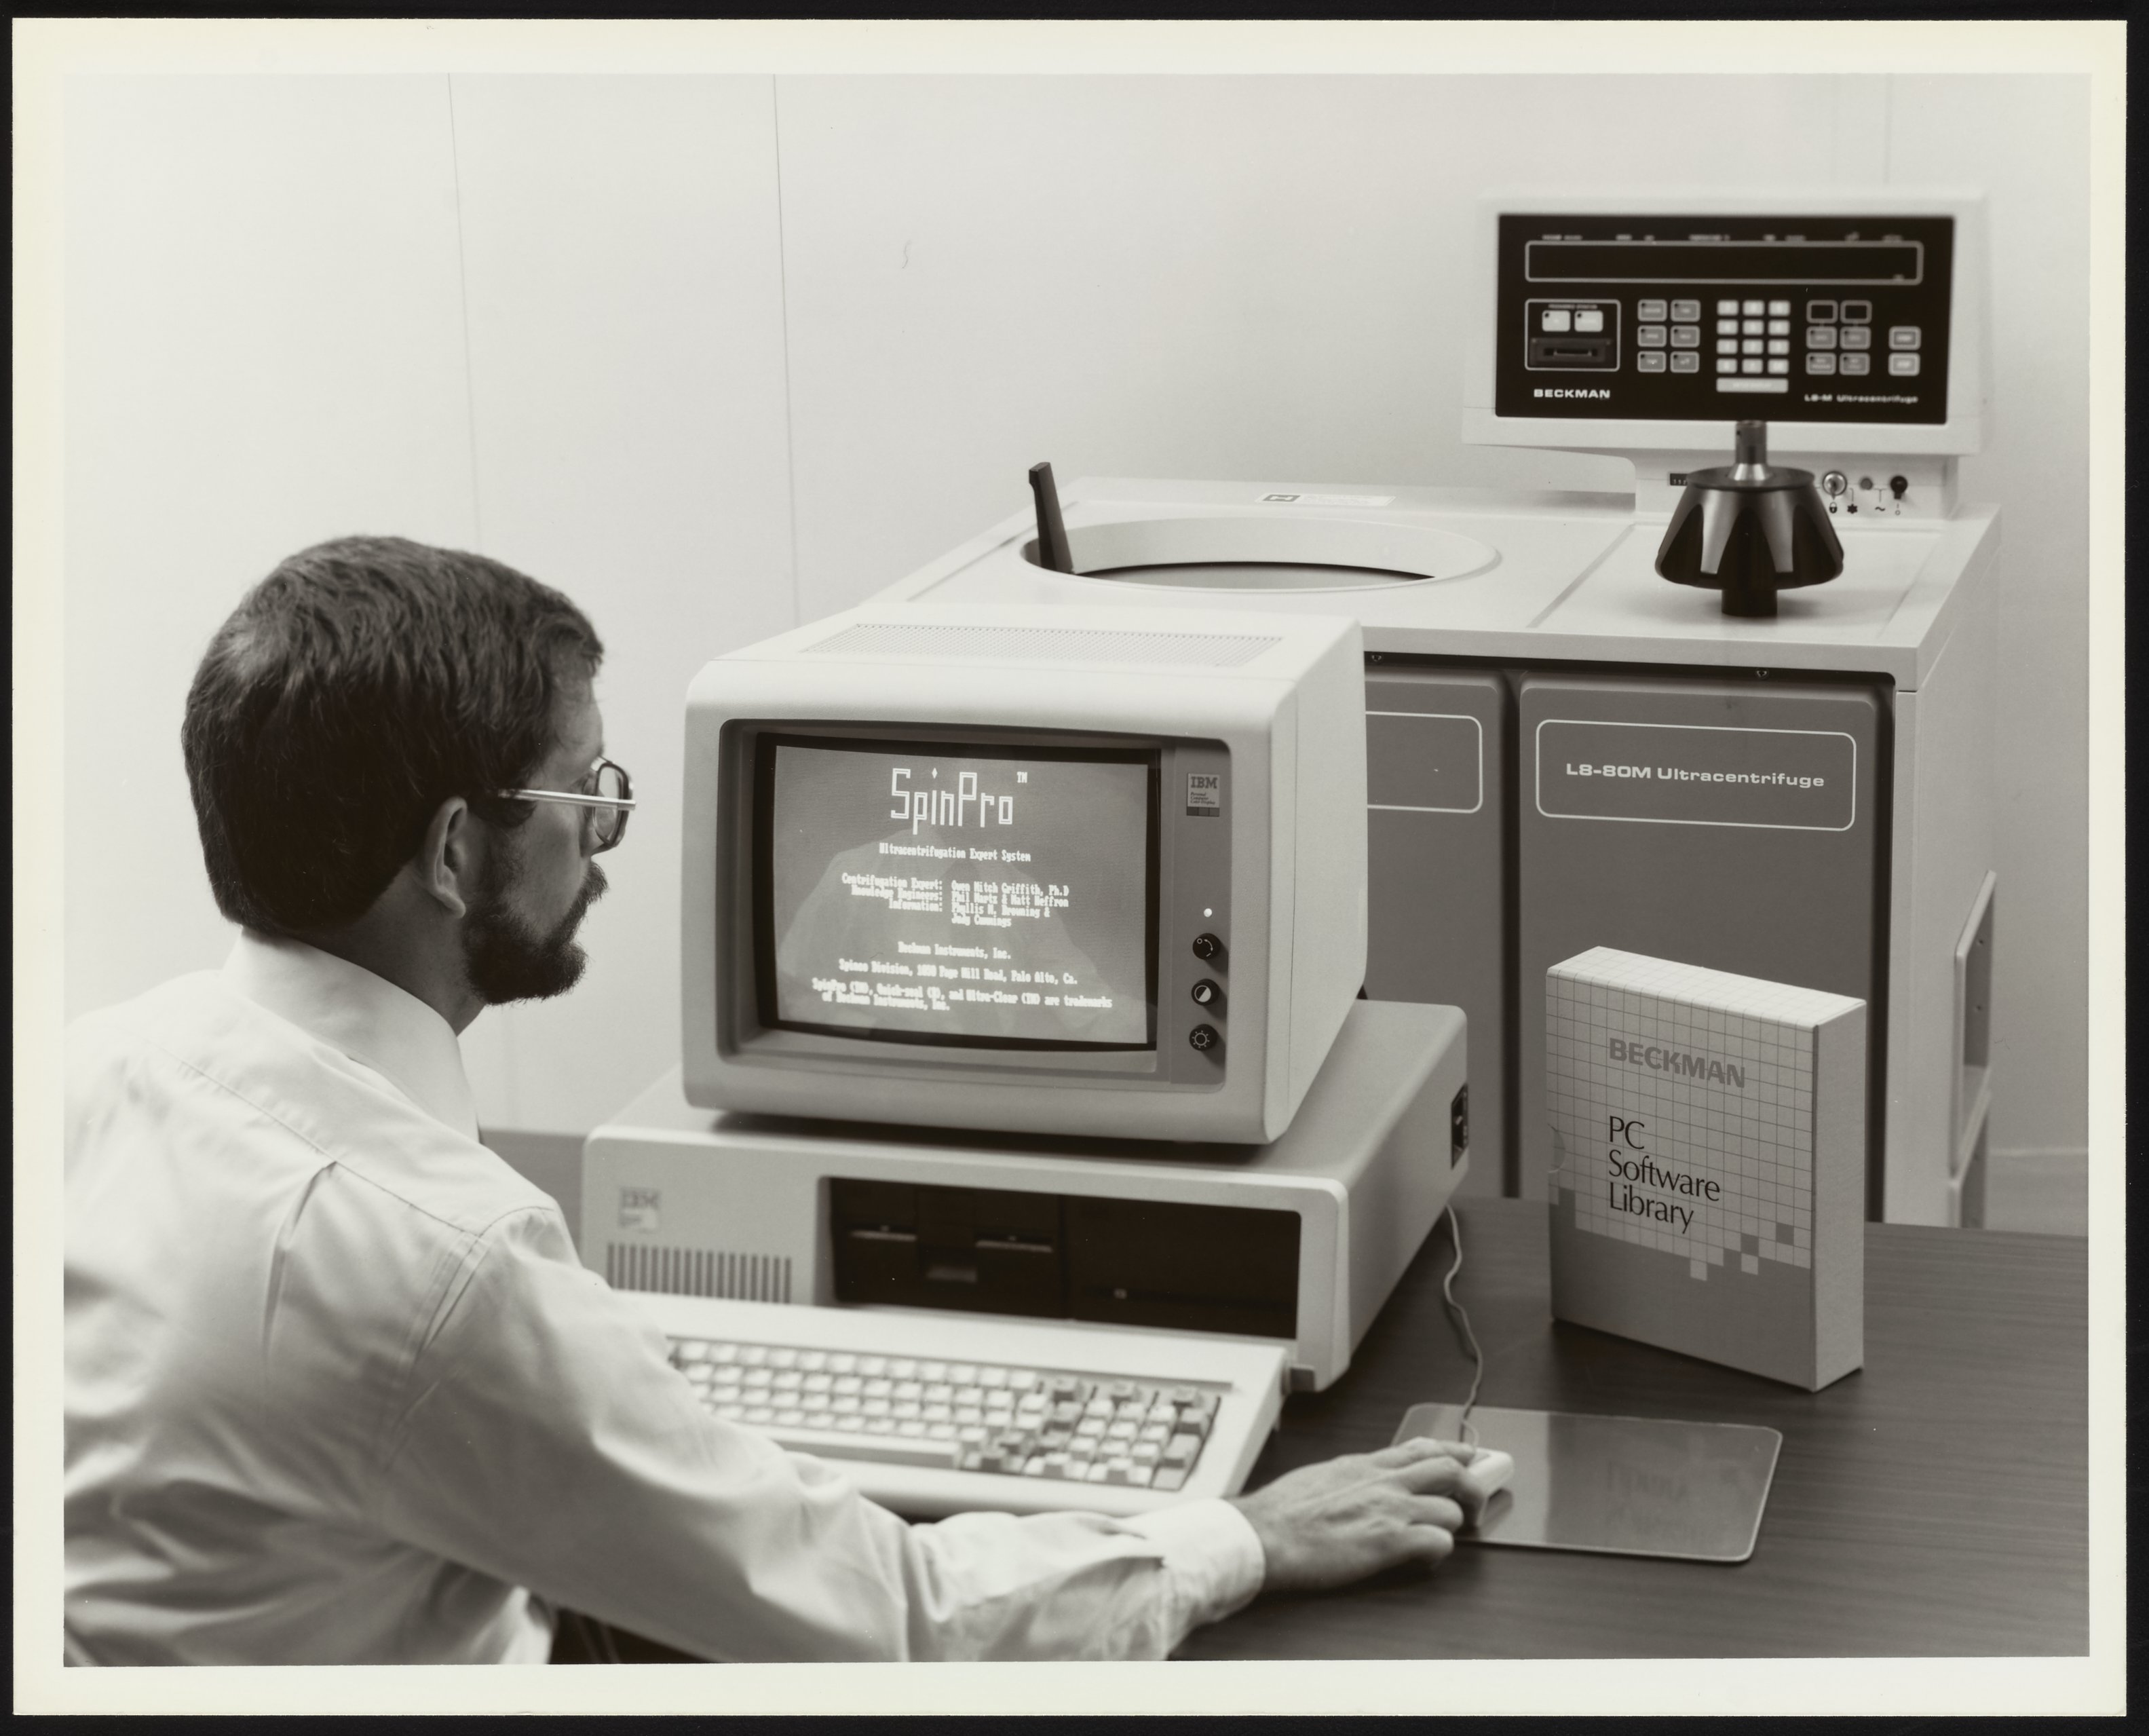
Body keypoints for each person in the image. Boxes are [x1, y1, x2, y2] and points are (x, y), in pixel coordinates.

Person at [63, 536, 1499, 1666]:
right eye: (583, 790)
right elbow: (903, 1622)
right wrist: (1244, 1536)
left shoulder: (85, 1077)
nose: (605, 836)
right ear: (453, 854)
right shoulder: (444, 1267)